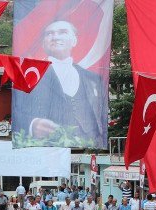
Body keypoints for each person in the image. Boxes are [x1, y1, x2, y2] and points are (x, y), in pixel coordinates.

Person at [13, 20, 107, 148]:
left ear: (74, 40)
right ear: (43, 43)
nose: (55, 37)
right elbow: (15, 109)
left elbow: (101, 115)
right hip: (47, 149)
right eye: (49, 34)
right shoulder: (28, 74)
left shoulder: (93, 79)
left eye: (62, 32)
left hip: (90, 147)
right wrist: (32, 124)